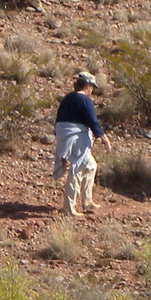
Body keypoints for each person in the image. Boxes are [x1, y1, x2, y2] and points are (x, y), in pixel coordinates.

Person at [53, 70, 106, 217]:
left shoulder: (67, 98)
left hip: (66, 135)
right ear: (87, 85)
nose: (93, 90)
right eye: (92, 87)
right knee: (78, 168)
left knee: (90, 166)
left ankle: (87, 201)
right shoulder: (85, 100)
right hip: (77, 137)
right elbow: (93, 121)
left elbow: (59, 119)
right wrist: (103, 137)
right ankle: (69, 208)